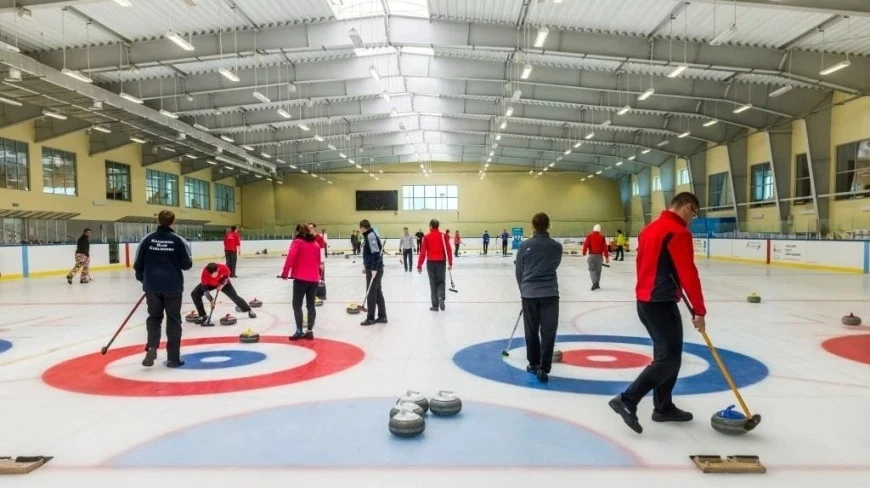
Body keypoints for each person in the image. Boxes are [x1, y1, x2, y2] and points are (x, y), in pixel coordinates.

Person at [608, 192, 706, 434]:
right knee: (669, 359)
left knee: (667, 356)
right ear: (687, 206)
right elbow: (688, 273)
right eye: (694, 214)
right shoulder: (678, 233)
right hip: (661, 303)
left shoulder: (649, 229)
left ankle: (663, 407)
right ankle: (628, 400)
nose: (692, 219)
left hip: (645, 301)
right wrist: (699, 310)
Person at [133, 210, 193, 368]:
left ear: (158, 222)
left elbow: (137, 264)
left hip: (152, 286)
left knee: (154, 317)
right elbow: (187, 265)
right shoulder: (178, 240)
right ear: (173, 222)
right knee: (173, 320)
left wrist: (144, 281)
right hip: (172, 286)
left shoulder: (147, 239)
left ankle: (152, 347)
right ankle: (173, 359)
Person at [515, 213, 562, 383]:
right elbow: (555, 264)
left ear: (533, 226)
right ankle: (544, 368)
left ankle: (533, 363)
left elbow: (519, 270)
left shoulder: (524, 246)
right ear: (548, 225)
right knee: (548, 332)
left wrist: (524, 289)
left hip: (529, 294)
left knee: (531, 331)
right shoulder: (556, 247)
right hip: (550, 294)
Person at [280, 223, 323, 340]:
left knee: (297, 305)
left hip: (301, 279)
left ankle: (299, 331)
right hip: (314, 279)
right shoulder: (315, 244)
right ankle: (309, 331)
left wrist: (285, 273)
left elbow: (290, 257)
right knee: (311, 306)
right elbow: (319, 262)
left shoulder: (297, 242)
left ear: (298, 232)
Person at [190, 262, 257, 326]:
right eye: (211, 275)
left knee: (234, 296)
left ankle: (249, 310)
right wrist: (211, 301)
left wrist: (222, 285)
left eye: (214, 274)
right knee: (194, 294)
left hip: (223, 283)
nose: (213, 276)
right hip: (210, 284)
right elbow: (205, 289)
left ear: (218, 270)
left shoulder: (224, 268)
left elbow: (226, 277)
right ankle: (203, 315)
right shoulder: (205, 273)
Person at [417, 219, 453, 311]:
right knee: (441, 281)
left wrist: (419, 265)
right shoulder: (443, 236)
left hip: (431, 262)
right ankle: (441, 296)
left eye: (429, 226)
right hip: (441, 262)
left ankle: (435, 305)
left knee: (432, 283)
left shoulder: (427, 237)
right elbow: (448, 250)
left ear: (431, 226)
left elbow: (423, 252)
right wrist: (450, 263)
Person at [360, 219, 387, 326]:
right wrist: (366, 266)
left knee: (371, 293)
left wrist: (373, 268)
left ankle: (370, 317)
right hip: (372, 268)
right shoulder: (369, 235)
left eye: (360, 228)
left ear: (362, 227)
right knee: (378, 293)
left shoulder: (370, 236)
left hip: (375, 269)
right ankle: (382, 316)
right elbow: (370, 254)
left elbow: (376, 253)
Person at [582, 224, 610, 290]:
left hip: (591, 256)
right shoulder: (602, 237)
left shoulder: (589, 236)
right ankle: (597, 284)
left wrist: (584, 252)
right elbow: (605, 248)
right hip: (599, 257)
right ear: (599, 230)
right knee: (598, 271)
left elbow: (585, 245)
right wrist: (607, 257)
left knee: (591, 270)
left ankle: (594, 282)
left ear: (593, 229)